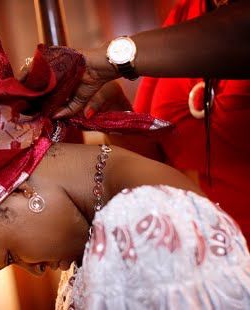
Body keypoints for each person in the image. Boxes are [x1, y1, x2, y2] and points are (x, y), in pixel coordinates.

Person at [0, 16, 250, 310]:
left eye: (9, 258)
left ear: (17, 190)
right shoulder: (128, 221)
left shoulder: (145, 224)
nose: (36, 271)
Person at [46, 0, 250, 242]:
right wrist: (113, 109)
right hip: (221, 248)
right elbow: (155, 165)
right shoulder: (186, 15)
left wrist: (107, 60)